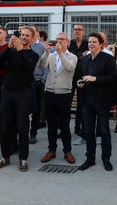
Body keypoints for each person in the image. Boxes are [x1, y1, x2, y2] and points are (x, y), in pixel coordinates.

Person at [0, 26, 40, 172]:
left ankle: (23, 159)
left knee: (22, 127)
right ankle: (5, 157)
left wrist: (19, 50)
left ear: (32, 38)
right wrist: (9, 47)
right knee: (5, 126)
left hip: (23, 93)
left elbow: (27, 67)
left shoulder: (33, 54)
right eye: (22, 34)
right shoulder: (12, 51)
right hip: (7, 92)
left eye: (27, 35)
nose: (24, 37)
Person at [76, 32, 117, 172]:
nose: (91, 44)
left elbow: (112, 78)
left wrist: (95, 79)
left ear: (101, 44)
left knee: (104, 131)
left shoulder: (108, 59)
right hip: (87, 100)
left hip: (102, 101)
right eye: (90, 42)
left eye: (94, 42)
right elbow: (79, 77)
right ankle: (90, 159)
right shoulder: (85, 59)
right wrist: (79, 83)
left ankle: (106, 159)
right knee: (88, 131)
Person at [38, 32, 78, 165]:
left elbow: (70, 68)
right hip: (50, 93)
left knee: (65, 125)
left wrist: (61, 53)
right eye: (57, 39)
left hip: (65, 94)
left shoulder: (72, 56)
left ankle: (67, 151)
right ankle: (51, 150)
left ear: (68, 42)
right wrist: (46, 52)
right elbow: (42, 65)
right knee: (52, 126)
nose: (59, 41)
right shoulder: (51, 55)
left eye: (62, 39)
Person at [69, 24, 89, 145]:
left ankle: (78, 127)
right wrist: (81, 55)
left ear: (83, 31)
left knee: (81, 103)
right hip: (70, 76)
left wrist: (75, 55)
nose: (77, 31)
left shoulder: (87, 43)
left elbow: (89, 54)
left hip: (83, 76)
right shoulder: (70, 43)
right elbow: (70, 55)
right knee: (67, 102)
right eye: (75, 29)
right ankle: (64, 128)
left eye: (79, 29)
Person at [29, 26, 46, 144]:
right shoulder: (21, 45)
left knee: (36, 109)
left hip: (37, 81)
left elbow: (46, 64)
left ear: (36, 34)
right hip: (24, 82)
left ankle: (33, 132)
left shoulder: (42, 47)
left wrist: (42, 80)